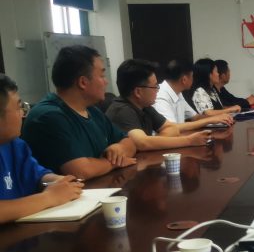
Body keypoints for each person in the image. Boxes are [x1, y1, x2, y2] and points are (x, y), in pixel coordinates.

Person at [21, 46, 137, 180]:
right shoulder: (48, 116)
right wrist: (115, 162)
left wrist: (119, 148)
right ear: (83, 82)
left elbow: (130, 142)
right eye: (102, 76)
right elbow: (80, 171)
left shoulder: (92, 110)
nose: (106, 82)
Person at [0, 74, 83, 223]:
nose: (23, 114)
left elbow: (37, 175)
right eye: (18, 107)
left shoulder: (14, 144)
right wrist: (48, 197)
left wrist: (60, 181)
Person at [106, 59, 214, 151]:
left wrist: (154, 141)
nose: (158, 90)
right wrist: (189, 141)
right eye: (154, 86)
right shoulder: (122, 110)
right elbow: (143, 143)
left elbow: (172, 128)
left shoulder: (145, 106)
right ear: (138, 92)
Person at [152, 60, 234, 126]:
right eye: (192, 76)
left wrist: (217, 118)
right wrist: (210, 120)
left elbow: (195, 117)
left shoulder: (178, 92)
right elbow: (172, 128)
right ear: (184, 80)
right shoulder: (160, 96)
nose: (194, 79)